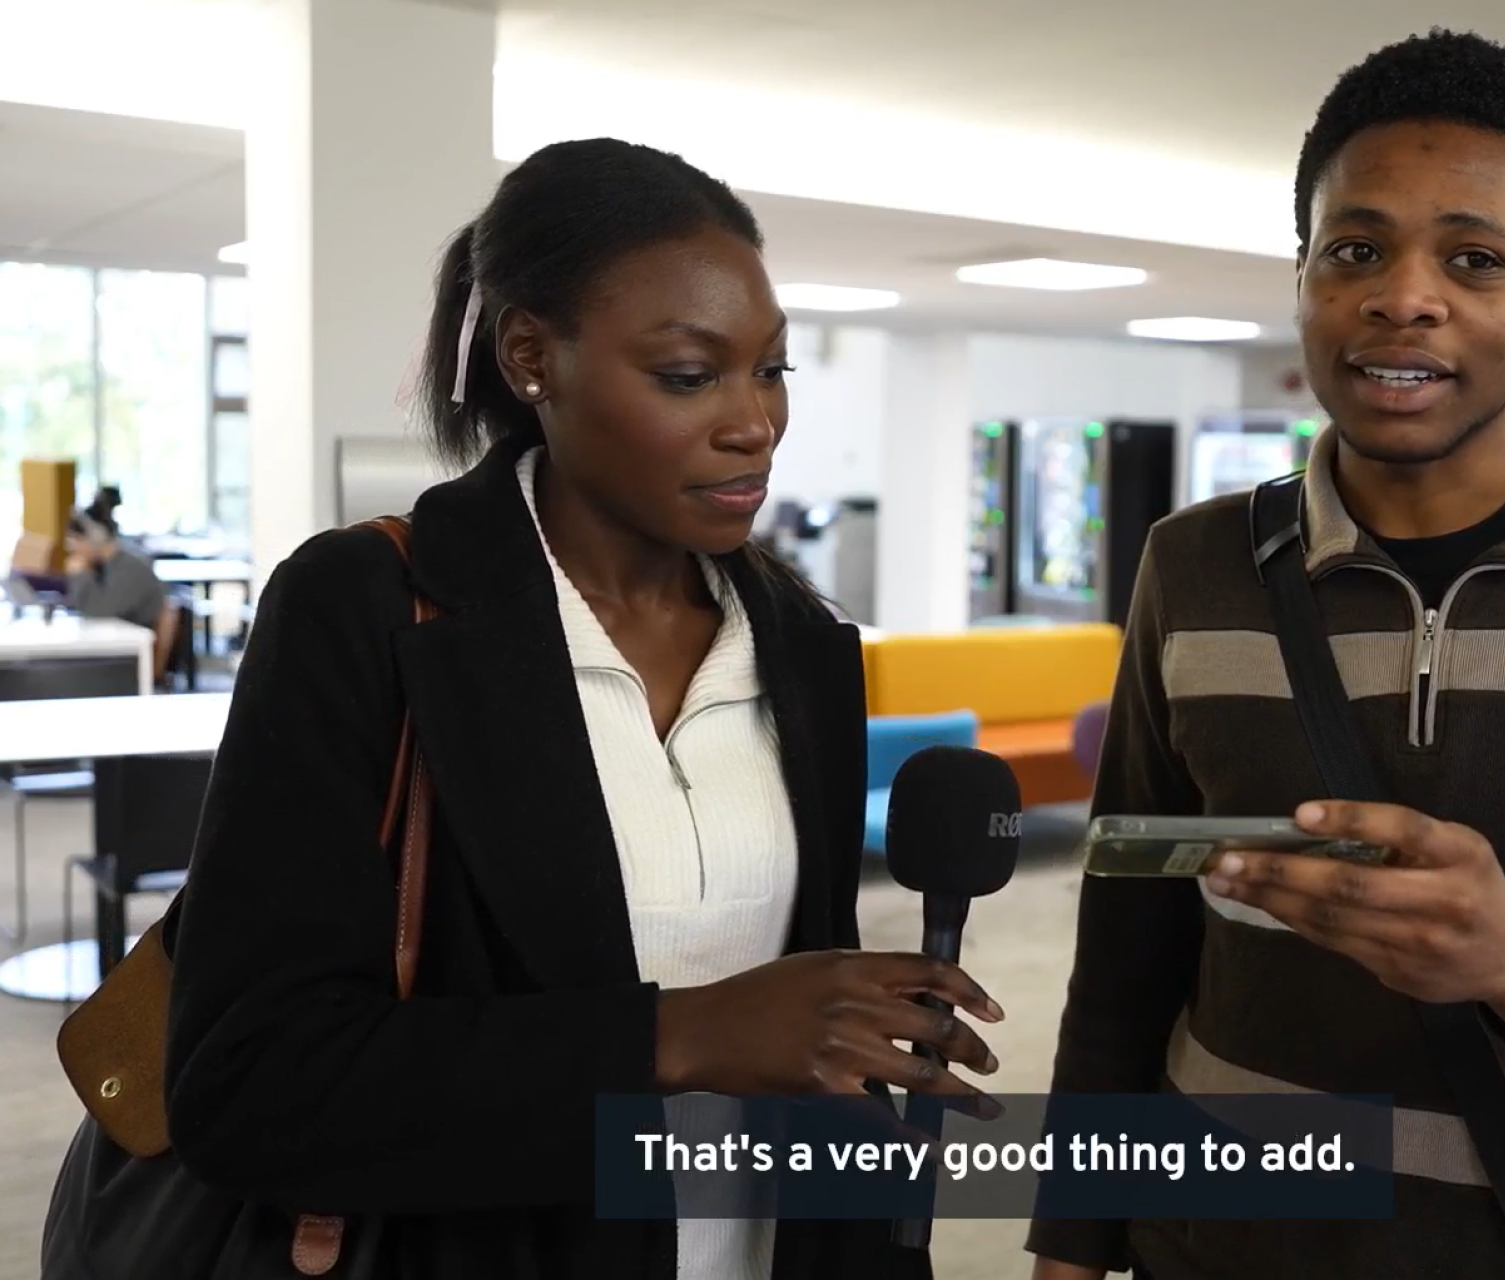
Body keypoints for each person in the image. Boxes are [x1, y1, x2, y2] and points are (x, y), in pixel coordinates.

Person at [1029, 29, 1505, 1280]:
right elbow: (1129, 945)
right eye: (1355, 248)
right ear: (1303, 278)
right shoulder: (1191, 562)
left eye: (1475, 257)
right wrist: (1071, 1238)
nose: (1405, 293)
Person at [163, 138, 1003, 1279]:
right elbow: (251, 1081)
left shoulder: (803, 647)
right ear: (530, 359)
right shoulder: (366, 610)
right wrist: (684, 1031)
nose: (753, 421)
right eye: (688, 373)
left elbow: (807, 1024)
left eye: (773, 370)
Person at [64, 512, 167, 630]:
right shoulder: (102, 566)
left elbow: (98, 615)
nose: (71, 547)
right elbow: (81, 609)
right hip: (116, 639)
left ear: (97, 538)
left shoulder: (130, 568)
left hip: (132, 643)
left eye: (78, 539)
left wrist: (80, 576)